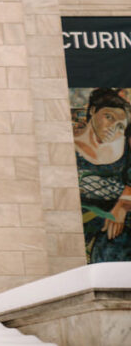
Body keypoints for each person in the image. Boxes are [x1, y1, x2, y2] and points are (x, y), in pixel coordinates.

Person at [73, 87, 131, 262]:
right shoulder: (68, 145)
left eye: (120, 125)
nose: (113, 128)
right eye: (108, 117)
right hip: (87, 222)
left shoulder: (124, 146)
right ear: (93, 111)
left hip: (121, 218)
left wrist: (123, 204)